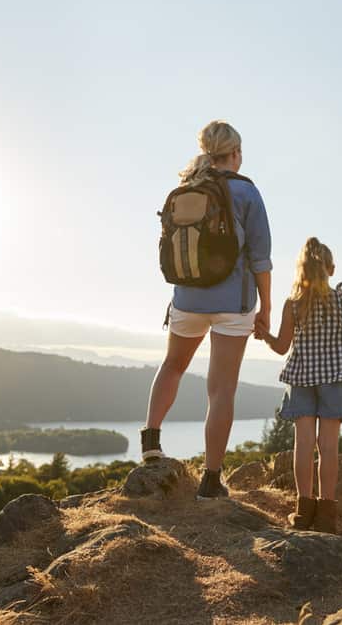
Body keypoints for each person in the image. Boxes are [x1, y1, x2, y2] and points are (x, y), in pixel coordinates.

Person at [142, 120, 273, 500]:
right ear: (235, 154)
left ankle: (151, 440)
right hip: (233, 303)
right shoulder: (246, 192)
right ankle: (211, 480)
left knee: (173, 365)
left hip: (187, 298)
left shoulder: (186, 188)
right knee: (221, 390)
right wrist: (265, 308)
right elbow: (261, 259)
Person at [255, 238, 342, 533]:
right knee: (328, 448)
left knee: (303, 445)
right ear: (331, 269)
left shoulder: (293, 304)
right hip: (335, 379)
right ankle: (327, 513)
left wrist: (264, 335)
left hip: (302, 377)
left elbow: (281, 347)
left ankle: (303, 511)